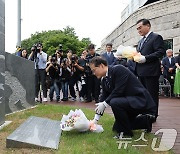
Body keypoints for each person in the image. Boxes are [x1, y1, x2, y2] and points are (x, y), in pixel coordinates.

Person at [90, 57, 156, 137]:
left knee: (114, 102)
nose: (93, 73)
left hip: (139, 100)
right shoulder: (104, 80)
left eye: (94, 70)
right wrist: (95, 120)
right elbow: (104, 97)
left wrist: (105, 103)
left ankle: (126, 133)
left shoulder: (118, 69)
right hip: (128, 102)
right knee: (116, 128)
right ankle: (145, 122)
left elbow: (119, 90)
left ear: (101, 66)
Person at [136, 19, 165, 121]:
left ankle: (152, 114)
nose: (138, 30)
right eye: (137, 29)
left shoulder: (156, 37)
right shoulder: (140, 41)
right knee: (143, 94)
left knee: (151, 94)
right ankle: (145, 113)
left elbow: (160, 51)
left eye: (140, 28)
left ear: (147, 26)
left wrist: (146, 58)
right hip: (141, 72)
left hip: (151, 72)